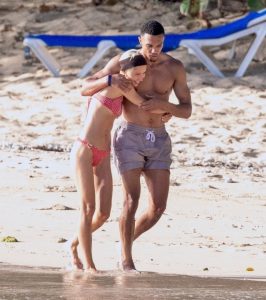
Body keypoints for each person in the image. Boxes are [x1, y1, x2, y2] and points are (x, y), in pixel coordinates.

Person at [75, 20, 192, 272]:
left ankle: (123, 244)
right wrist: (108, 80)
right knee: (131, 200)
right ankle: (126, 260)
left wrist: (167, 108)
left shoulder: (174, 67)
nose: (154, 51)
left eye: (159, 45)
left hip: (159, 139)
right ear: (140, 40)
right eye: (149, 45)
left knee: (158, 207)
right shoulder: (125, 62)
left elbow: (186, 110)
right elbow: (86, 85)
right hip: (129, 136)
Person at [70, 50, 155, 272]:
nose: (140, 78)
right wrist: (168, 110)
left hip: (103, 153)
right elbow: (144, 104)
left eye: (143, 73)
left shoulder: (125, 85)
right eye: (137, 73)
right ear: (124, 71)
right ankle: (89, 266)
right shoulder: (120, 85)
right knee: (87, 208)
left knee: (103, 214)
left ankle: (73, 244)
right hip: (85, 149)